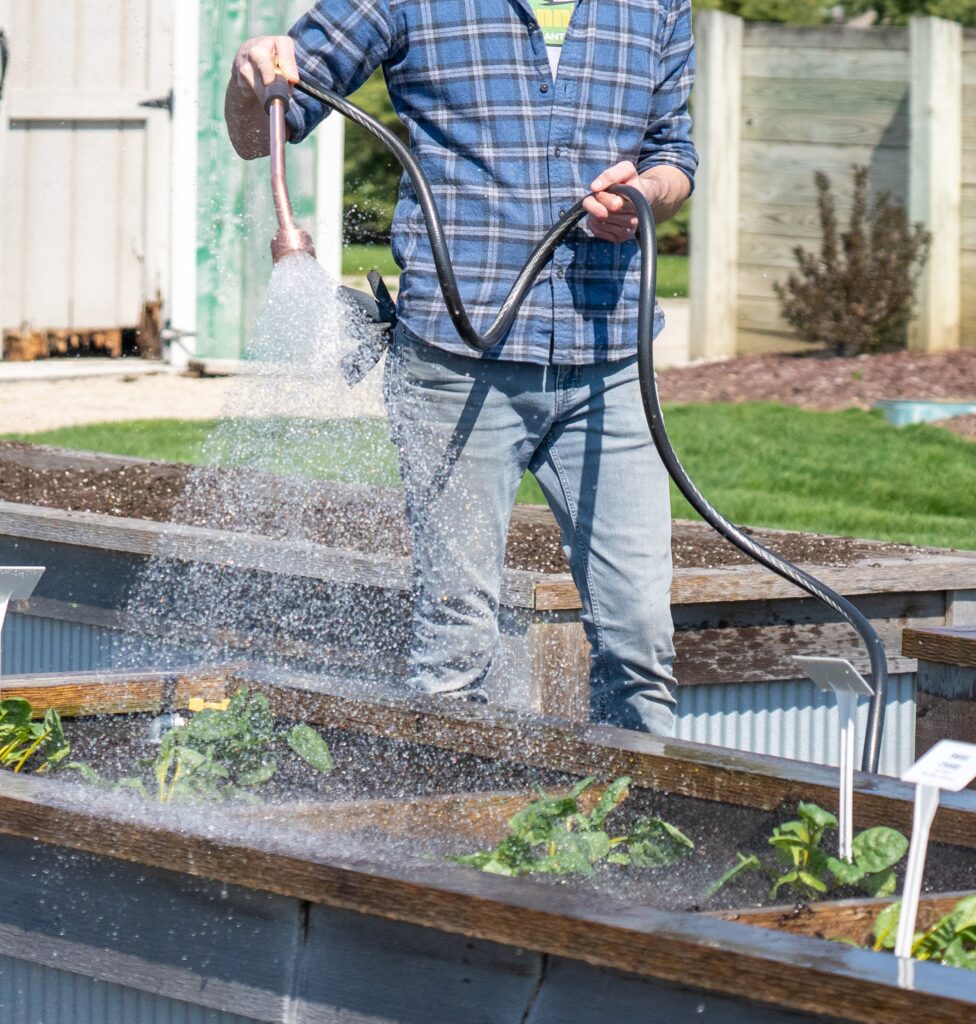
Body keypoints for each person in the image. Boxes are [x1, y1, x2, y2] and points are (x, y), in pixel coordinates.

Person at [225, 1, 697, 736]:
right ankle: (446, 840)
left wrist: (644, 194)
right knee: (455, 648)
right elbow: (260, 135)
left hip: (608, 363)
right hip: (452, 363)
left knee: (640, 642)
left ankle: (637, 840)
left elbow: (675, 153)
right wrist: (247, 74)